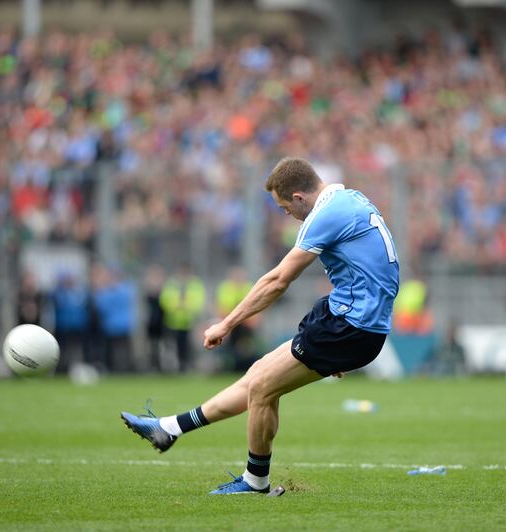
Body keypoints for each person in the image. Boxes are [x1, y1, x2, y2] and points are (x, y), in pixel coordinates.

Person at [121, 157, 400, 494]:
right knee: (257, 375)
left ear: (299, 197)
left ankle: (255, 482)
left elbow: (278, 281)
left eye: (285, 208)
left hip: (350, 324)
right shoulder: (350, 199)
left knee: (263, 388)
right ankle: (169, 428)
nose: (288, 216)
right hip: (354, 322)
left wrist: (227, 323)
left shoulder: (326, 214)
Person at [159, 265, 206, 372]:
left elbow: (198, 302)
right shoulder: (171, 284)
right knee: (171, 346)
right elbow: (164, 300)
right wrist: (178, 305)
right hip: (173, 322)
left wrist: (185, 305)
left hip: (189, 322)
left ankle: (187, 365)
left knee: (188, 346)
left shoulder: (195, 284)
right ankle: (173, 367)